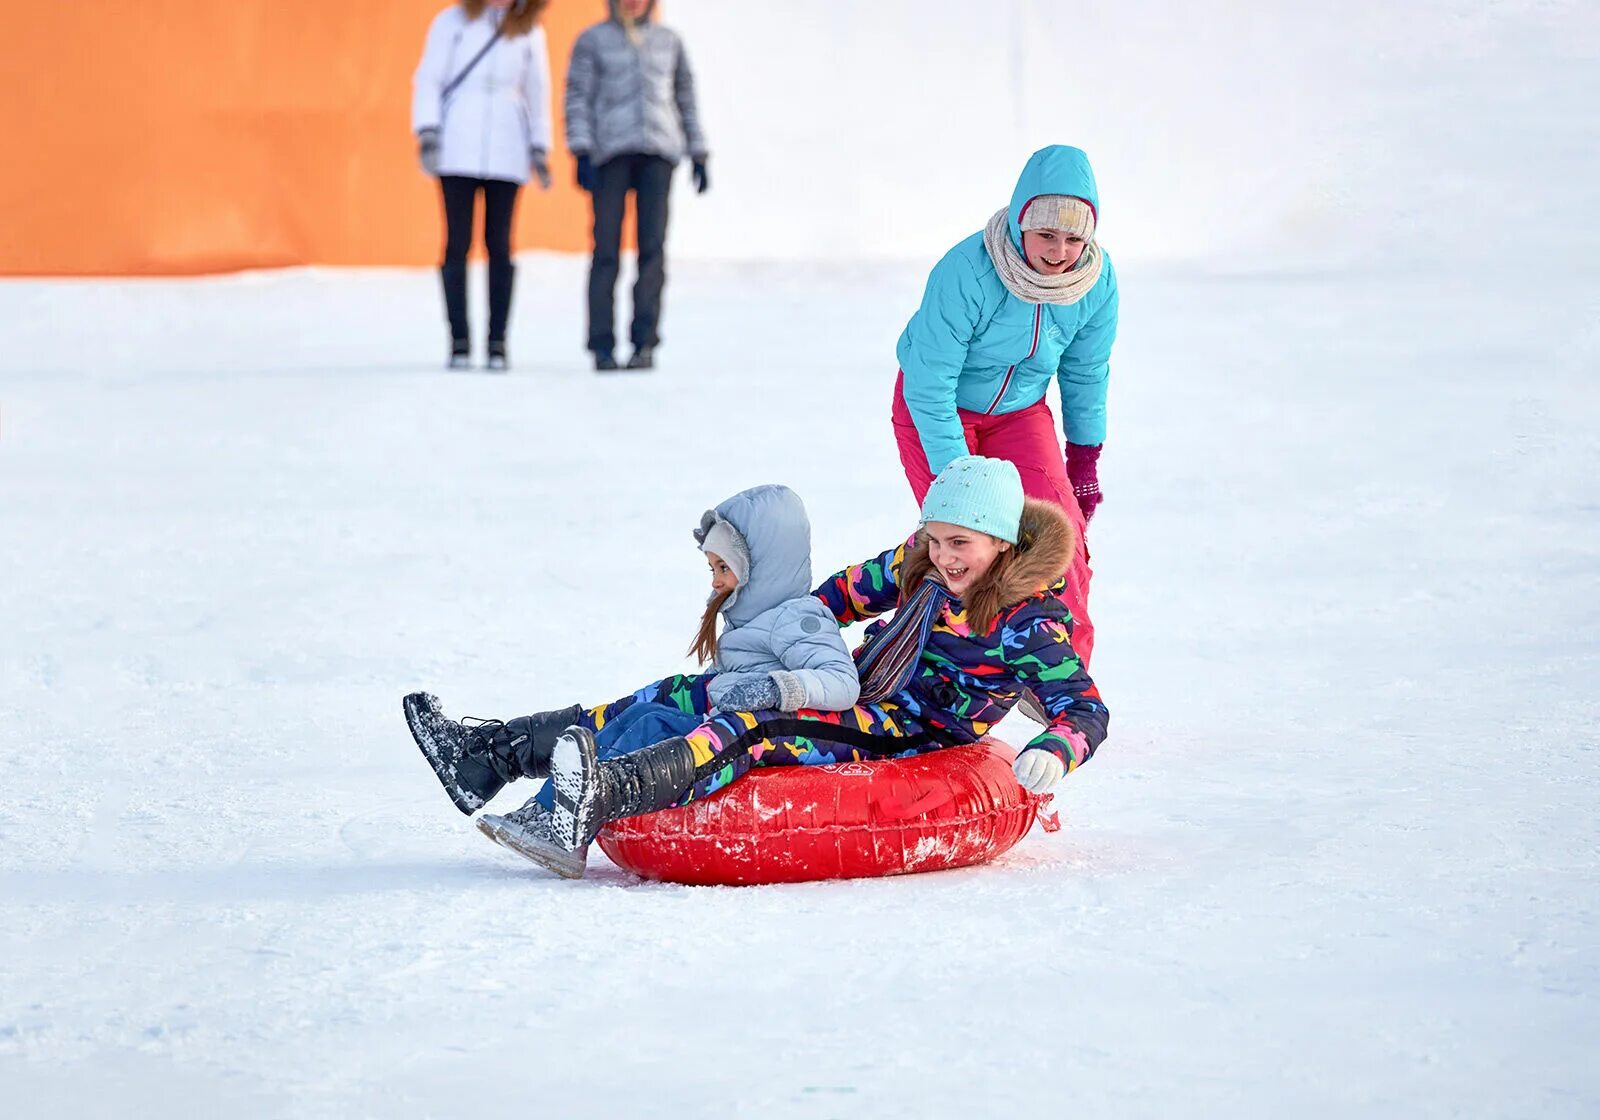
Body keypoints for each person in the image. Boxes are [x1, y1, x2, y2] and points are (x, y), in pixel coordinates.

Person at [403, 456, 1108, 879]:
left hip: (906, 727)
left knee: (751, 726)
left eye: (961, 544)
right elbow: (843, 594)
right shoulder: (921, 561)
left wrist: (1056, 748)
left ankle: (606, 793)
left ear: (1004, 543)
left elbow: (1084, 709)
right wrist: (793, 630)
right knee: (686, 690)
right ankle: (489, 756)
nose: (946, 556)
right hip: (859, 682)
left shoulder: (1026, 621)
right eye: (935, 538)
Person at [893, 145, 1119, 666]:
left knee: (1059, 534)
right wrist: (962, 480)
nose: (1059, 251)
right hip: (938, 408)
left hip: (1019, 413)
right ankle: (936, 667)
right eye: (1045, 234)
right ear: (1021, 223)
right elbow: (930, 383)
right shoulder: (967, 271)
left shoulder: (1096, 282)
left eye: (1072, 238)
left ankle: (1059, 669)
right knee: (963, 540)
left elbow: (1085, 372)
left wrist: (1083, 461)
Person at [512, 484, 862, 813]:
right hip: (721, 725)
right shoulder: (751, 619)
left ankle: (570, 812)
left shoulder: (797, 616)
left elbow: (842, 682)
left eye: (724, 567)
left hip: (759, 740)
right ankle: (547, 810)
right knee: (639, 717)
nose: (715, 580)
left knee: (654, 725)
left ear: (765, 567)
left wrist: (776, 689)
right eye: (712, 567)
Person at [564, 0, 709, 372]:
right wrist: (581, 149)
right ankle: (601, 344)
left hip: (658, 153)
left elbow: (685, 97)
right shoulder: (592, 41)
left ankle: (644, 342)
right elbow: (578, 97)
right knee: (606, 250)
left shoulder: (668, 41)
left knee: (652, 251)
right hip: (610, 153)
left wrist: (698, 152)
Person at [412, 0, 553, 371]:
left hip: (507, 144)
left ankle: (497, 342)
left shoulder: (529, 29)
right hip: (458, 141)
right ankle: (459, 339)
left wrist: (540, 146)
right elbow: (429, 78)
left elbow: (539, 92)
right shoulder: (452, 22)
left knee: (500, 245)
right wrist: (428, 131)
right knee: (458, 242)